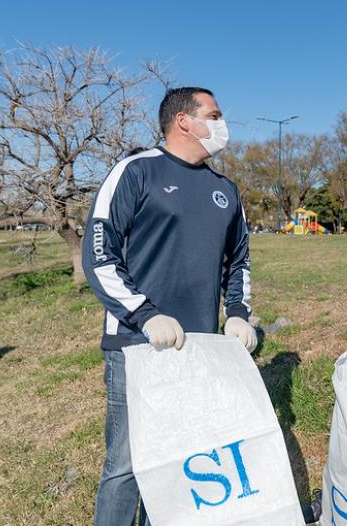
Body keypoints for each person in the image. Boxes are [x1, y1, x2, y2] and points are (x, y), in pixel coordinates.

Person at [82, 86, 257, 525]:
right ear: (184, 121)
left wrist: (237, 314)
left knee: (177, 460)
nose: (222, 124)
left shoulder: (225, 189)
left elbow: (238, 261)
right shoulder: (136, 171)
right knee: (126, 467)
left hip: (198, 348)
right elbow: (100, 254)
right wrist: (145, 315)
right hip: (136, 345)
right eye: (214, 115)